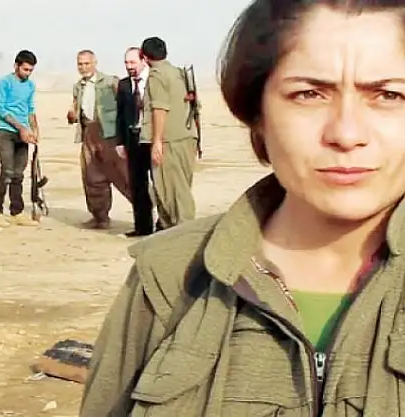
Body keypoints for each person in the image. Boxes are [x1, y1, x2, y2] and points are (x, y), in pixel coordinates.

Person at [81, 1, 405, 415]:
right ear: (258, 114)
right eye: (308, 94)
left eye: (389, 95)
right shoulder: (168, 278)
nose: (346, 133)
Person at [67, 50, 130, 230]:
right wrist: (72, 116)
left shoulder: (111, 82)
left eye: (87, 63)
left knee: (123, 175)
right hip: (89, 133)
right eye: (80, 64)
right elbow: (75, 111)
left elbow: (126, 106)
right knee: (92, 177)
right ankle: (100, 217)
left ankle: (145, 214)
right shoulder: (78, 86)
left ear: (95, 63)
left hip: (110, 135)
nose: (83, 67)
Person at [142, 37, 198, 230]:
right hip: (187, 136)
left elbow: (159, 108)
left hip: (169, 140)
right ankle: (168, 231)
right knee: (178, 186)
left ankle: (185, 232)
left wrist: (157, 141)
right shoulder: (179, 73)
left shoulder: (157, 75)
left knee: (172, 190)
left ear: (144, 56)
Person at [0, 50, 40, 227]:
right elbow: (1, 109)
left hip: (24, 134)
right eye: (25, 69)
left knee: (19, 173)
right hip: (6, 132)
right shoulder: (4, 83)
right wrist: (21, 128)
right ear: (16, 66)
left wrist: (35, 130)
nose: (28, 73)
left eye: (30, 70)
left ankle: (17, 211)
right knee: (7, 171)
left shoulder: (30, 85)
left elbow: (30, 109)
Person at [117, 47, 154, 237]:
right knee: (137, 185)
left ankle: (165, 224)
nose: (129, 66)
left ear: (143, 61)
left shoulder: (154, 81)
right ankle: (142, 227)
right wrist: (120, 142)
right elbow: (120, 115)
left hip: (153, 139)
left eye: (132, 62)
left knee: (159, 183)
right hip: (132, 140)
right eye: (126, 63)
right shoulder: (124, 85)